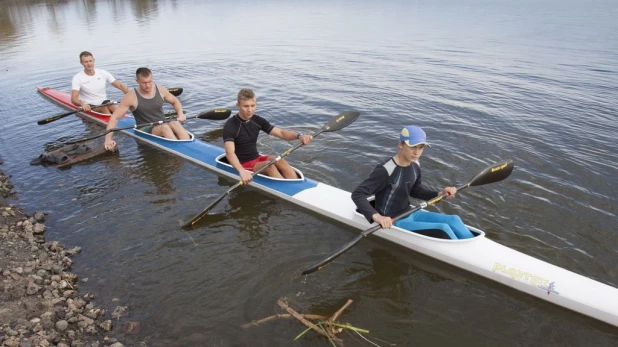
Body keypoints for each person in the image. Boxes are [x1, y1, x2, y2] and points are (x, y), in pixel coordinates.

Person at [351, 125, 474, 240]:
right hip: (394, 220)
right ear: (400, 144)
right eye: (412, 147)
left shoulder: (415, 165)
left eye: (420, 147)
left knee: (454, 220)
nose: (417, 152)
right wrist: (377, 217)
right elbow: (358, 194)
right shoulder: (385, 170)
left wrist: (439, 194)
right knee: (443, 228)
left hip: (410, 212)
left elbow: (416, 191)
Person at [223, 88, 313, 184]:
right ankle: (285, 189)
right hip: (242, 164)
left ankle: (295, 184)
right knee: (269, 166)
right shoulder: (230, 125)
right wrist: (242, 171)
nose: (250, 110)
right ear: (238, 105)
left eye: (253, 106)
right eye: (246, 106)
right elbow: (230, 153)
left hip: (256, 158)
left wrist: (299, 136)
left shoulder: (257, 120)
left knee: (279, 160)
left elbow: (281, 133)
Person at [104, 67, 188, 150]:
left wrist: (180, 113)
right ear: (137, 81)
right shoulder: (130, 97)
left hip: (162, 122)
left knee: (175, 123)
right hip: (144, 129)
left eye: (149, 82)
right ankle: (180, 150)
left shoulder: (161, 90)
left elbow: (175, 101)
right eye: (144, 83)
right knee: (164, 128)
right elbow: (114, 118)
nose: (147, 86)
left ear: (152, 78)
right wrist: (108, 139)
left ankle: (188, 145)